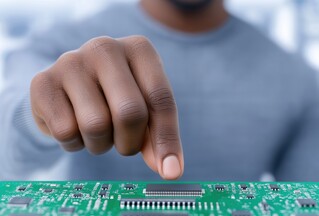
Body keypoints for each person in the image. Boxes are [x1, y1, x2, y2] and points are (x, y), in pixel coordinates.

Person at [1, 0, 319, 181]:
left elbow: (305, 214)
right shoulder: (54, 49)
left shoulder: (300, 81)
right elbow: (8, 150)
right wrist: (41, 116)